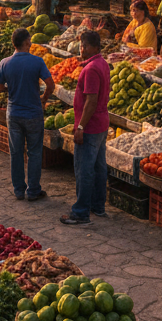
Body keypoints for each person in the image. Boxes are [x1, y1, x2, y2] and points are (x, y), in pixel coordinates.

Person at [0, 28, 55, 201]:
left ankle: (19, 190)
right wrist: (43, 98)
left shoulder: (4, 63)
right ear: (28, 42)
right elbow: (50, 85)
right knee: (34, 152)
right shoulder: (37, 62)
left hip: (13, 113)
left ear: (13, 44)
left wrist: (12, 89)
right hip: (33, 113)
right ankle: (33, 191)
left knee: (16, 152)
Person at [61, 29, 111, 226]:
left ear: (95, 48)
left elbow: (91, 100)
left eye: (85, 46)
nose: (81, 49)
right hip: (101, 123)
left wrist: (80, 126)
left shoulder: (90, 69)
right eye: (81, 45)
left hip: (90, 125)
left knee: (84, 169)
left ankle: (81, 212)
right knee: (99, 167)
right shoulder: (102, 64)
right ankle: (98, 206)